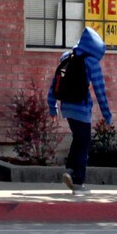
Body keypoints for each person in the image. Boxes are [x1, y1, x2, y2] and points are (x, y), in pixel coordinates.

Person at [47, 25, 111, 196]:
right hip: (82, 108)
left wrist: (52, 105)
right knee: (84, 144)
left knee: (78, 139)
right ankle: (78, 184)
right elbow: (100, 90)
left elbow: (55, 83)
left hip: (66, 107)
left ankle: (69, 170)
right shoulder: (92, 63)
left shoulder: (67, 57)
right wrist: (107, 114)